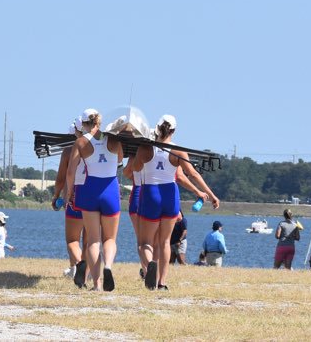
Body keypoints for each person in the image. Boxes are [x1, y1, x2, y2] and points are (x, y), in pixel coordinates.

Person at [127, 114, 219, 290]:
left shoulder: (145, 148)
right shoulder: (178, 151)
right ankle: (162, 282)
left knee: (145, 242)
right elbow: (193, 174)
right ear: (174, 130)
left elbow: (135, 169)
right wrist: (211, 194)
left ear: (157, 128)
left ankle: (149, 265)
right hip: (170, 194)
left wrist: (139, 152)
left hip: (150, 192)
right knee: (164, 241)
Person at [68, 109, 125, 291]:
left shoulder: (81, 142)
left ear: (83, 124)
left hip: (89, 190)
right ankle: (108, 265)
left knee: (93, 240)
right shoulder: (114, 140)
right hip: (110, 190)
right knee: (110, 239)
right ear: (99, 121)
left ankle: (97, 284)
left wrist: (69, 193)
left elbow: (71, 172)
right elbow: (120, 162)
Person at [52, 117, 88, 287]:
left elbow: (61, 179)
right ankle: (87, 272)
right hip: (93, 198)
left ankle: (79, 265)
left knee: (72, 240)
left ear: (76, 131)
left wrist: (56, 195)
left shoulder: (68, 151)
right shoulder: (98, 147)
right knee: (90, 240)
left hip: (73, 197)